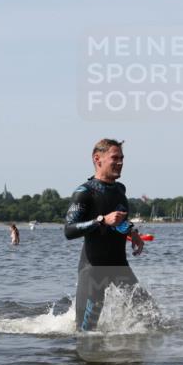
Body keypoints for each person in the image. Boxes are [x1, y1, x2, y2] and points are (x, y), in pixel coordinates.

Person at [64, 139, 145, 331]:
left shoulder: (120, 189)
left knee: (152, 320)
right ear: (97, 159)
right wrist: (100, 220)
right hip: (93, 270)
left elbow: (117, 220)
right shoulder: (84, 192)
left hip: (120, 266)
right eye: (114, 158)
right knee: (85, 331)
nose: (120, 162)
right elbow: (68, 230)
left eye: (122, 158)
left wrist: (132, 232)